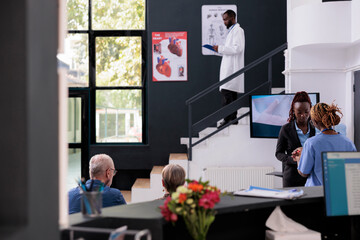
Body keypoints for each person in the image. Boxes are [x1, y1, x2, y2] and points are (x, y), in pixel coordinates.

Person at [293, 102, 357, 187]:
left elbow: (304, 172)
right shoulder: (348, 143)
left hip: (317, 194)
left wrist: (299, 158)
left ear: (314, 121)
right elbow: (353, 172)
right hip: (340, 191)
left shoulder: (311, 143)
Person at [275, 91, 316, 187]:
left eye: (306, 112)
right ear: (293, 111)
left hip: (311, 178)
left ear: (310, 110)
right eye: (299, 112)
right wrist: (295, 160)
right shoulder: (286, 129)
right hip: (291, 178)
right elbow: (278, 153)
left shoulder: (315, 129)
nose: (303, 115)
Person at [213, 9, 245, 128]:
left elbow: (238, 48)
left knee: (227, 92)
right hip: (229, 66)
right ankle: (233, 118)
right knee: (230, 92)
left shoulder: (238, 31)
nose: (224, 22)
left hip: (232, 68)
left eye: (225, 19)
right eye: (223, 20)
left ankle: (228, 119)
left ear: (232, 18)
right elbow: (230, 49)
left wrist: (220, 48)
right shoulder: (232, 31)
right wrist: (218, 50)